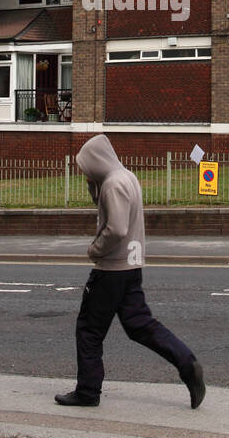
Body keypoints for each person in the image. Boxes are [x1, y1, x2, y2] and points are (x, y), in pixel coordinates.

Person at [55, 134, 206, 409]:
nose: (85, 173)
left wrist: (95, 250)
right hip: (132, 267)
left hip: (111, 269)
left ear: (96, 161)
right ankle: (187, 363)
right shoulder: (127, 177)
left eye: (86, 167)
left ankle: (87, 391)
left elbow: (116, 228)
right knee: (140, 325)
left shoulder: (112, 184)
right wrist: (94, 188)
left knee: (89, 330)